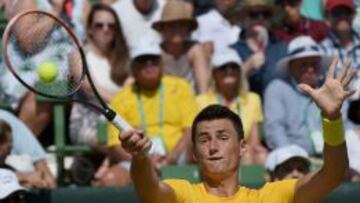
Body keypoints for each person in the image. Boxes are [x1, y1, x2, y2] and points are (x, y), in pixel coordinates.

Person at [119, 53, 355, 202]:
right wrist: (140, 158)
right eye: (203, 139)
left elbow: (333, 175)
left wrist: (332, 119)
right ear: (194, 154)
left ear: (242, 147)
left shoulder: (271, 196)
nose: (212, 146)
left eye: (222, 137)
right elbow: (148, 191)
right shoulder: (183, 194)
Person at [98, 37, 198, 186]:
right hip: (138, 160)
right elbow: (115, 146)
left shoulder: (180, 87)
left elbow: (191, 129)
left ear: (161, 63)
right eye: (143, 60)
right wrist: (145, 161)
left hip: (178, 158)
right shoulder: (121, 98)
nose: (149, 64)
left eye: (153, 60)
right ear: (133, 68)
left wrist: (171, 157)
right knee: (110, 180)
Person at [0, 0, 90, 136]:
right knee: (48, 89)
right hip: (27, 73)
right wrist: (55, 11)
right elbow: (28, 43)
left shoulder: (82, 4)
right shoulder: (29, 2)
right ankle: (16, 148)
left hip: (71, 77)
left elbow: (89, 42)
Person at [69, 3, 130, 146]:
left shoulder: (124, 57)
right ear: (90, 29)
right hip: (89, 121)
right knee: (116, 142)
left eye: (111, 26)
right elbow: (88, 87)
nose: (105, 29)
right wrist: (120, 101)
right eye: (99, 25)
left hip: (122, 118)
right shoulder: (78, 54)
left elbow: (131, 87)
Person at [264, 36, 334, 155]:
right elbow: (275, 130)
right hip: (294, 162)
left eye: (314, 64)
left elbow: (345, 125)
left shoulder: (330, 89)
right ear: (290, 67)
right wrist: (293, 159)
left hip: (332, 158)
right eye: (304, 64)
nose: (310, 69)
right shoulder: (278, 88)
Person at [196, 47, 267, 165]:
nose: (229, 71)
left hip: (243, 151)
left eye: (234, 67)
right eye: (223, 68)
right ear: (214, 73)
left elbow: (254, 142)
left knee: (259, 156)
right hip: (212, 150)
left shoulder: (253, 99)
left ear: (240, 72)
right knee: (245, 156)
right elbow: (200, 139)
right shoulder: (201, 101)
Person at [232, 0, 287, 97]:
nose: (260, 18)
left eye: (266, 14)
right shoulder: (233, 51)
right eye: (254, 14)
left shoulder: (283, 49)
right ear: (244, 18)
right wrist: (245, 69)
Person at [152, 0, 209, 94]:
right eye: (171, 25)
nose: (176, 29)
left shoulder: (194, 50)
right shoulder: (157, 52)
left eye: (181, 25)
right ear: (163, 29)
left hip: (191, 102)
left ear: (187, 28)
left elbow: (204, 89)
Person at [0, 112, 56, 189]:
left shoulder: (8, 168)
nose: (9, 153)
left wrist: (26, 182)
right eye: (8, 148)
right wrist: (24, 177)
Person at [319, 0, 360, 99]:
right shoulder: (319, 51)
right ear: (327, 17)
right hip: (336, 109)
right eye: (337, 13)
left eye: (347, 12)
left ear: (353, 14)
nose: (342, 17)